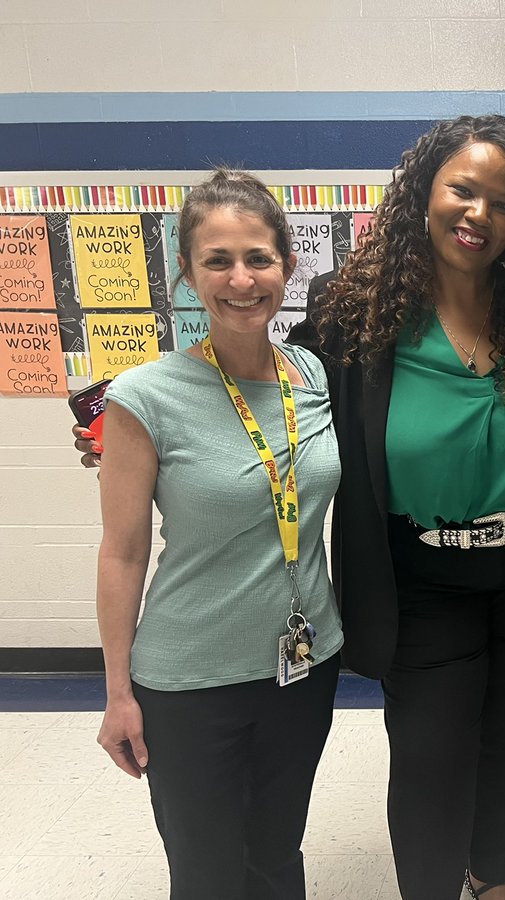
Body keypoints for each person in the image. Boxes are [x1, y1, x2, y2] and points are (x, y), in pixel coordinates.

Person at [287, 114, 505, 900]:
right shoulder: (350, 312)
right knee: (430, 750)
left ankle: (494, 872)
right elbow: (267, 390)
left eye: (503, 203)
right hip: (418, 574)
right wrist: (142, 422)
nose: (479, 215)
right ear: (424, 192)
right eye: (463, 190)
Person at [91, 169, 343, 899]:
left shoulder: (313, 374)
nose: (241, 279)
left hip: (303, 664)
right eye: (218, 261)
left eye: (259, 258)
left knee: (276, 854)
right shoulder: (144, 395)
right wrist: (116, 693)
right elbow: (123, 551)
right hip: (187, 681)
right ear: (187, 275)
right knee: (205, 873)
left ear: (288, 267)